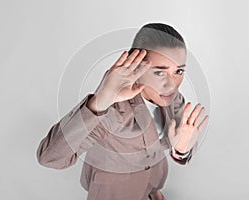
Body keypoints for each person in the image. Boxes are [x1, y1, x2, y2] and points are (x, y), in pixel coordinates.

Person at [36, 23, 209, 200]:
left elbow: (185, 136)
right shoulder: (114, 111)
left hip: (153, 182)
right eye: (159, 73)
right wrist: (98, 103)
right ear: (136, 66)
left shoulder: (172, 97)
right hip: (113, 191)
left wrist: (180, 150)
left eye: (178, 71)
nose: (172, 85)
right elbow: (49, 158)